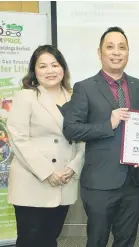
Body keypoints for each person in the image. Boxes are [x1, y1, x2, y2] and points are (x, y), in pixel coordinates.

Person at [62, 26, 139, 247]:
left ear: (128, 53)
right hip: (99, 182)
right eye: (110, 47)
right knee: (97, 240)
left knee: (127, 240)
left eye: (122, 47)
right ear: (99, 52)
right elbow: (71, 129)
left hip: (133, 180)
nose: (116, 52)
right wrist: (107, 125)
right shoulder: (85, 88)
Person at [6, 45, 85, 247]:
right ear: (35, 71)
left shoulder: (75, 97)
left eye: (54, 65)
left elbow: (83, 138)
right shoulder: (26, 97)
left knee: (50, 238)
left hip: (64, 180)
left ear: (63, 68)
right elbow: (18, 139)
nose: (50, 71)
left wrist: (73, 167)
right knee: (30, 240)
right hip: (33, 181)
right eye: (43, 66)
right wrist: (48, 172)